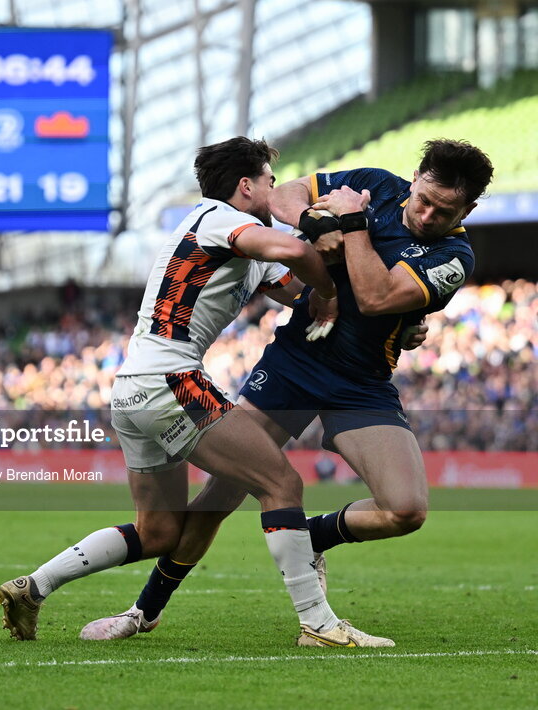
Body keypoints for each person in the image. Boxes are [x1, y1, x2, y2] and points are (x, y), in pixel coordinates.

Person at [81, 138, 494, 642]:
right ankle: (143, 611)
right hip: (294, 365)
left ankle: (312, 535)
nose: (426, 215)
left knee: (406, 510)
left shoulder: (454, 255)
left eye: (443, 210)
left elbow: (375, 295)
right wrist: (319, 221)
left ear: (467, 210)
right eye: (423, 199)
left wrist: (350, 223)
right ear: (415, 178)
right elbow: (285, 197)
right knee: (222, 492)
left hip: (361, 384)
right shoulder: (379, 185)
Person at [0, 136, 393, 648]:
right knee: (281, 486)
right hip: (172, 382)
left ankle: (35, 587)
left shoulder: (235, 240)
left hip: (133, 389)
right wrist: (332, 293)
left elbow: (296, 287)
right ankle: (318, 625)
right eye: (270, 182)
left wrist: (366, 306)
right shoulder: (218, 218)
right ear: (245, 186)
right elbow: (297, 252)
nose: (276, 191)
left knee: (157, 532)